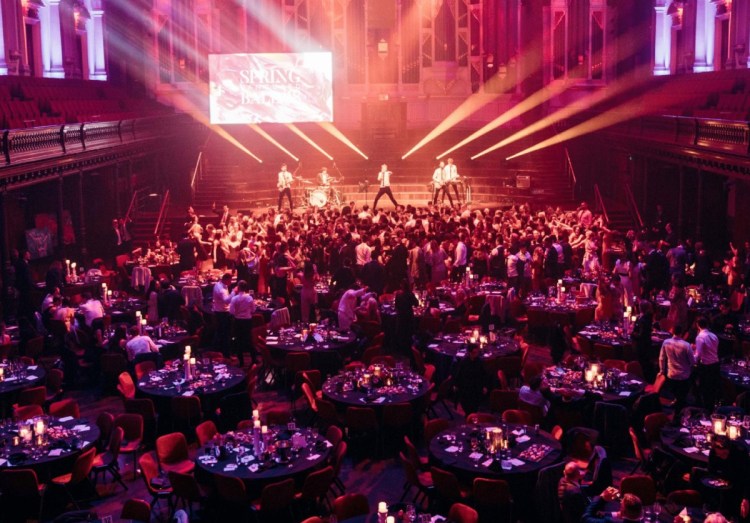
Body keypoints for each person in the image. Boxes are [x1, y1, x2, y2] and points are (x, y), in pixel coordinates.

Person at [658, 323, 694, 415]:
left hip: (671, 375)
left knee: (676, 394)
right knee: (682, 396)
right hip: (684, 376)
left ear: (673, 332)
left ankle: (675, 410)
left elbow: (661, 358)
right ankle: (680, 414)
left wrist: (662, 371)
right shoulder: (686, 345)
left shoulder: (666, 342)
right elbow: (692, 361)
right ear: (681, 333)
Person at [693, 316, 720, 410]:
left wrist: (690, 359)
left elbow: (698, 355)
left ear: (697, 325)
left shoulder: (700, 337)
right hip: (716, 365)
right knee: (713, 389)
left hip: (706, 366)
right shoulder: (714, 335)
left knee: (705, 389)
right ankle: (711, 409)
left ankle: (704, 409)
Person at [453, 343, 486, 415]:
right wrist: (456, 385)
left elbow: (483, 375)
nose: (476, 354)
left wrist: (484, 386)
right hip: (466, 388)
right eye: (474, 353)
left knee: (474, 408)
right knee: (467, 408)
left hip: (476, 388)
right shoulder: (464, 362)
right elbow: (459, 374)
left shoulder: (479, 362)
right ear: (469, 352)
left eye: (477, 352)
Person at [229, 280, 256, 366]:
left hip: (238, 322)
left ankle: (241, 362)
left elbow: (231, 312)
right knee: (249, 340)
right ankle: (254, 360)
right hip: (247, 321)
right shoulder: (249, 298)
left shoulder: (234, 299)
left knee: (239, 341)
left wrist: (238, 312)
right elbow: (253, 310)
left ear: (238, 287)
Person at [212, 273, 233, 359]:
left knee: (220, 333)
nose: (231, 282)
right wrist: (233, 292)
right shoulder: (222, 290)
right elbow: (226, 301)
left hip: (218, 311)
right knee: (226, 335)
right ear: (226, 280)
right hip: (223, 313)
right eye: (230, 280)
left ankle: (217, 353)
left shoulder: (219, 284)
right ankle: (227, 356)